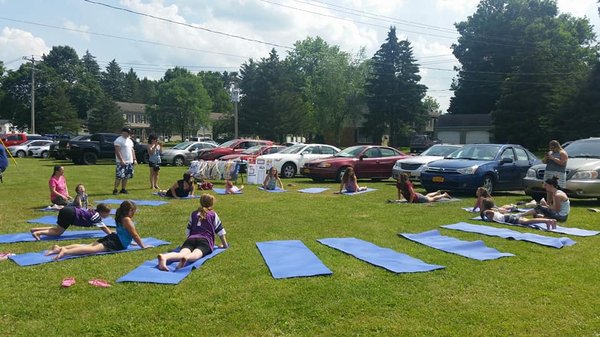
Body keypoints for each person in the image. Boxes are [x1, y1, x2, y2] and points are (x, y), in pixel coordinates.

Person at [45, 200, 151, 260]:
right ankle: (65, 251)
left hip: (114, 238)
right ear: (130, 210)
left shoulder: (120, 217)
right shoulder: (127, 220)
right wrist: (143, 246)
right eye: (134, 211)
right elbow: (134, 234)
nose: (134, 213)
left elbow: (125, 233)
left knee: (88, 246)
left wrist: (131, 243)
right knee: (91, 250)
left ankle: (59, 248)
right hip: (116, 242)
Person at [157, 194, 228, 271]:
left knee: (181, 253)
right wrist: (225, 245)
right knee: (195, 254)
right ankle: (187, 258)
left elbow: (188, 231)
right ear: (212, 204)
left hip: (191, 239)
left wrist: (190, 240)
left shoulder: (194, 214)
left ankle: (165, 257)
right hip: (205, 240)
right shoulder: (213, 214)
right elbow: (220, 231)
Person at [30, 203, 113, 240]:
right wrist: (111, 234)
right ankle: (38, 233)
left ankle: (35, 229)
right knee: (58, 232)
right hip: (70, 214)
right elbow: (103, 228)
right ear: (102, 212)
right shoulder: (96, 216)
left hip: (68, 210)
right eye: (107, 214)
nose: (108, 216)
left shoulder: (93, 211)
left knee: (57, 229)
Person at [480, 198, 556, 230]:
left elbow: (491, 214)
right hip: (507, 217)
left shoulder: (486, 211)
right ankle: (548, 220)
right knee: (528, 221)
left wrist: (490, 220)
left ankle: (547, 221)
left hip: (507, 218)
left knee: (527, 221)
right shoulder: (492, 209)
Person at [113, 127, 137, 195]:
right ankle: (115, 189)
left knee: (126, 176)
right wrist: (121, 160)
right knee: (119, 176)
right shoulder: (118, 140)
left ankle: (123, 189)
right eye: (128, 132)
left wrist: (134, 159)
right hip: (121, 161)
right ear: (123, 132)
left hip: (129, 161)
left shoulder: (130, 141)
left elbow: (132, 150)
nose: (129, 134)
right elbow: (117, 151)